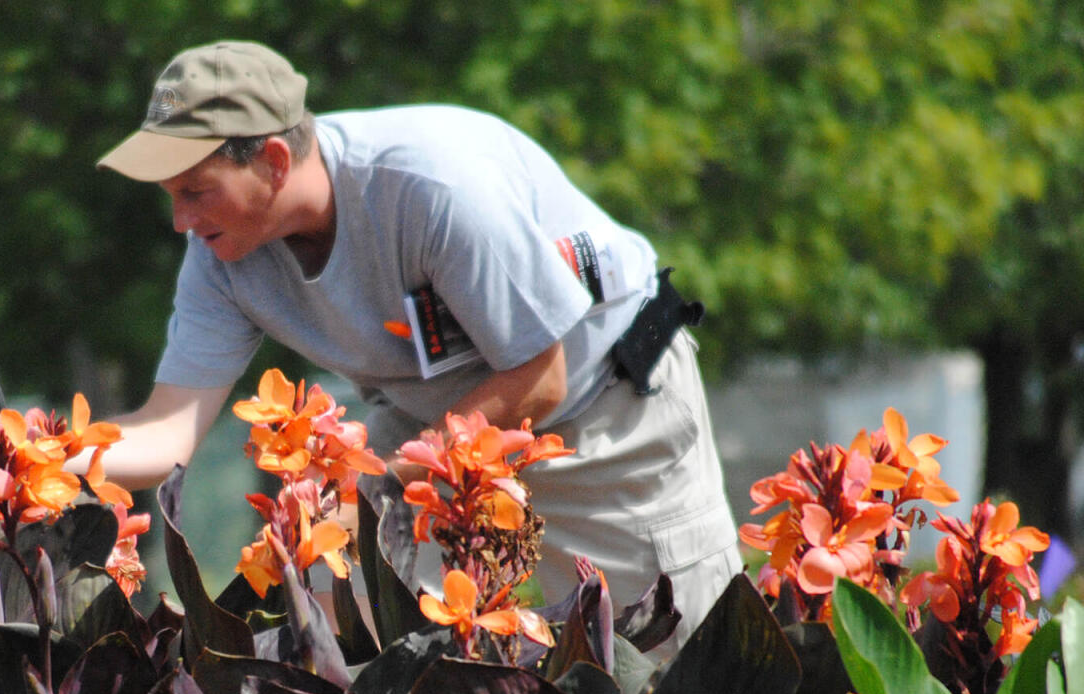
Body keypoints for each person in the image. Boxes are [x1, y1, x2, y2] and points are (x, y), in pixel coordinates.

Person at [91, 39, 742, 649]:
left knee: (678, 669)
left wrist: (381, 478)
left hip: (604, 412)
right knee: (347, 652)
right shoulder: (218, 254)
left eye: (196, 192)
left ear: (275, 161)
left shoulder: (433, 186)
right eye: (171, 197)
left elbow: (541, 380)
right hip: (425, 436)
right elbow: (165, 435)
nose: (180, 220)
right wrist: (47, 457)